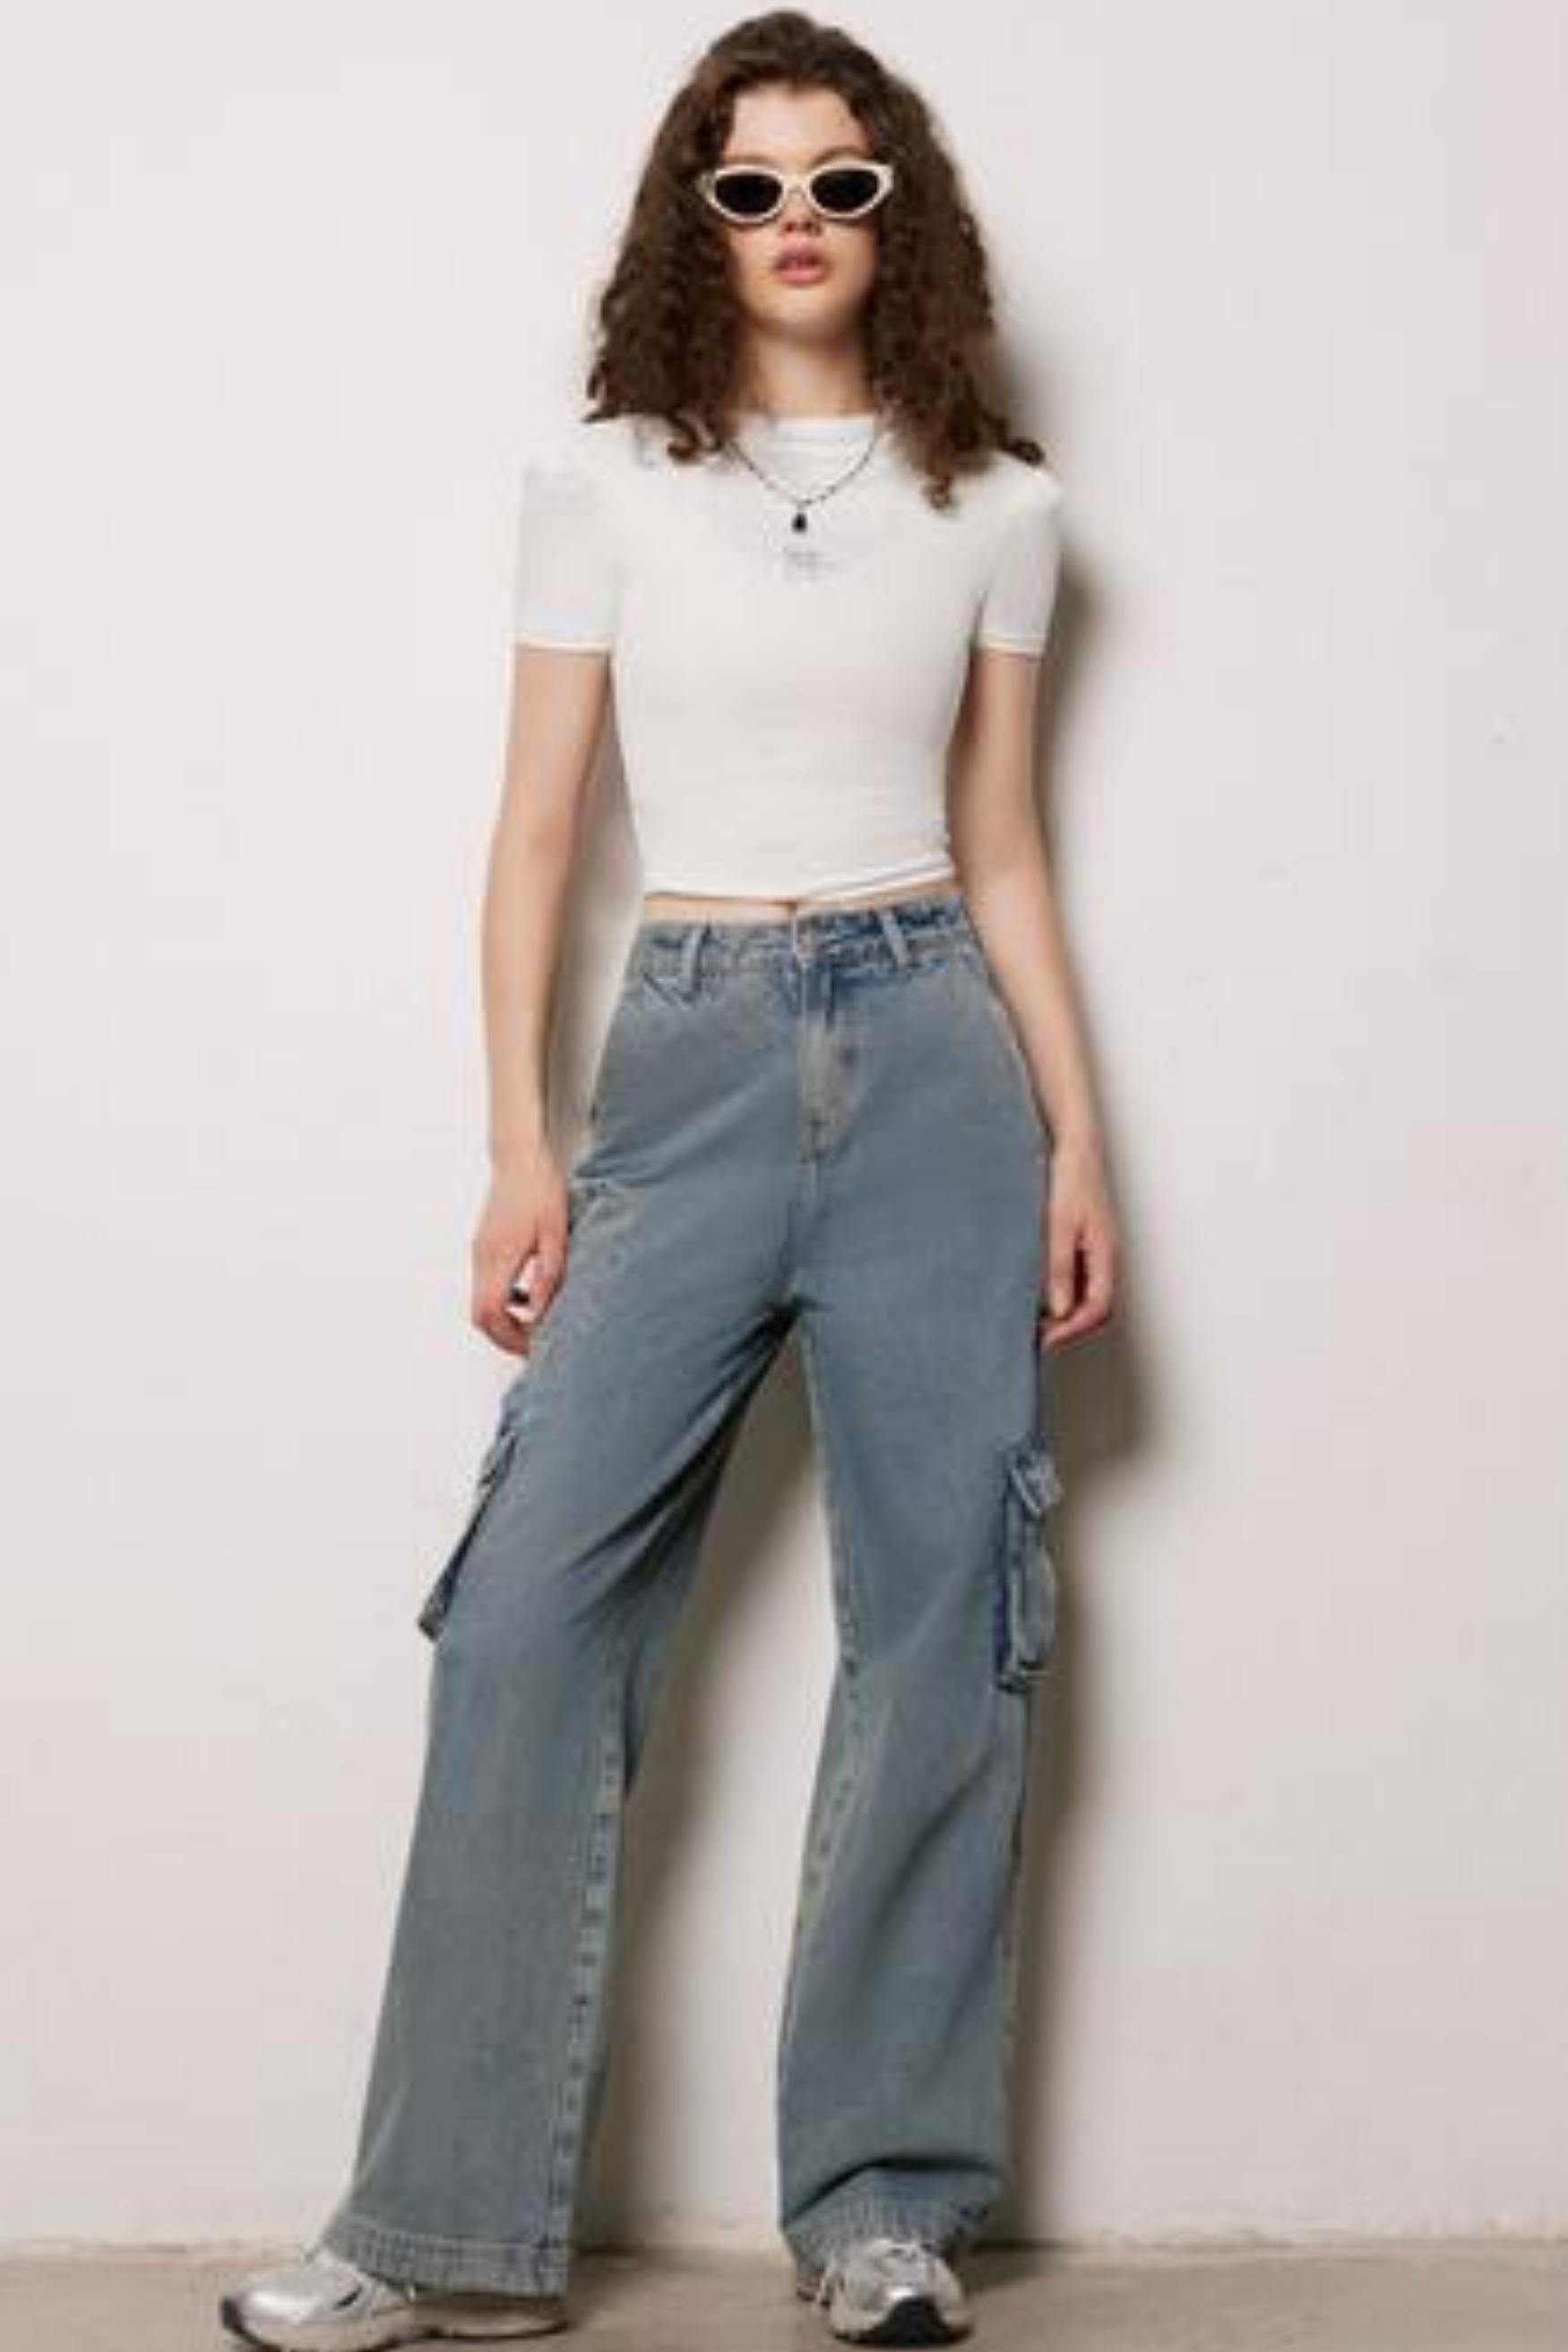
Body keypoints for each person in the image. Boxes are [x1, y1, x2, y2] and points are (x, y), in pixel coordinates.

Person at [220, 14, 1119, 2349]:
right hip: (690, 1053)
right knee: (528, 1614)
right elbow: (537, 836)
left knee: (946, 1631)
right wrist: (520, 1142)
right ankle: (439, 2223)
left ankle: (885, 2207)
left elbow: (1008, 847)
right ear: (691, 222)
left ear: (901, 214)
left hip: (937, 1059)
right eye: (751, 186)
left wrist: (1079, 1139)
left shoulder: (997, 506)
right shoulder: (605, 479)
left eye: (842, 182)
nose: (798, 221)